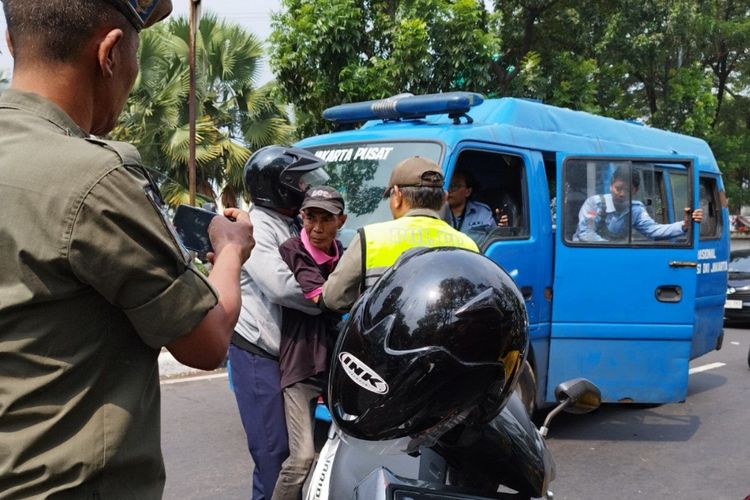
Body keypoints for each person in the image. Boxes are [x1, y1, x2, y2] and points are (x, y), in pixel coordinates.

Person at [0, 1, 254, 497]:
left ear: (12, 43)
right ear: (111, 54)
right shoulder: (96, 179)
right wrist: (229, 250)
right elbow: (205, 342)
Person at [231, 145, 330, 500]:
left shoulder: (288, 222)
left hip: (288, 355)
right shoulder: (256, 226)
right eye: (300, 182)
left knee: (301, 454)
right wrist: (329, 298)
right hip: (259, 353)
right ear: (277, 186)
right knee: (274, 456)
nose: (305, 188)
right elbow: (282, 286)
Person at [321, 156, 479, 313]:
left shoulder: (370, 238)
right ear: (444, 198)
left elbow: (333, 298)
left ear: (397, 196)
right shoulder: (467, 244)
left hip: (383, 337)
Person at [273, 186, 347, 500]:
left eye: (325, 220)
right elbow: (320, 296)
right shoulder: (294, 249)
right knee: (302, 457)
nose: (316, 228)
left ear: (340, 220)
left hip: (336, 367)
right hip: (301, 365)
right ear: (301, 217)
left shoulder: (344, 253)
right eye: (310, 217)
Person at [573, 166, 703, 242]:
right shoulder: (594, 204)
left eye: (628, 190)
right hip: (584, 257)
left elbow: (653, 231)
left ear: (635, 191)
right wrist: (614, 249)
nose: (622, 194)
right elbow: (586, 234)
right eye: (618, 188)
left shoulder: (636, 210)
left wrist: (684, 225)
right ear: (611, 185)